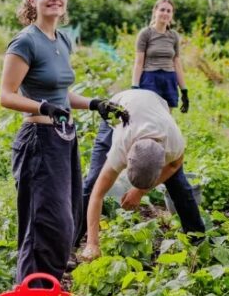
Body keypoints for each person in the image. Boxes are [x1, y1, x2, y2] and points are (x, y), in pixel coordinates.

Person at [0, 0, 125, 285]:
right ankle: (30, 294)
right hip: (38, 140)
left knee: (67, 219)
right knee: (43, 223)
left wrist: (94, 103)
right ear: (33, 0)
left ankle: (48, 288)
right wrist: (42, 107)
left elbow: (60, 95)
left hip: (64, 137)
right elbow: (7, 95)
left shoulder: (63, 39)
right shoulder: (25, 41)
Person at [79, 88, 206, 261]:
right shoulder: (121, 147)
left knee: (178, 184)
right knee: (93, 181)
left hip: (154, 104)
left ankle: (198, 241)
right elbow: (98, 194)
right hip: (117, 108)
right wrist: (93, 243)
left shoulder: (173, 144)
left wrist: (139, 191)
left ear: (163, 159)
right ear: (127, 158)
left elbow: (175, 165)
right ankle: (76, 241)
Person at [132, 0, 189, 113]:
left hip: (169, 80)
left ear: (172, 14)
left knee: (166, 120)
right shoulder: (145, 34)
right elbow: (138, 63)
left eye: (169, 11)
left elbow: (177, 63)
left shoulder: (173, 36)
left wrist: (184, 91)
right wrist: (135, 87)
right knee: (150, 119)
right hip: (150, 79)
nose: (165, 13)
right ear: (155, 11)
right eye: (162, 10)